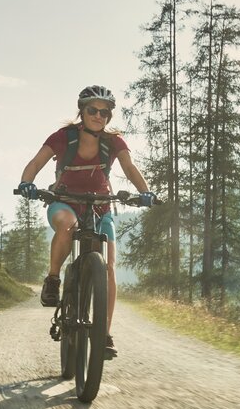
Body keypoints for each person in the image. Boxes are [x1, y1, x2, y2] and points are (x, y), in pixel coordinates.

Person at [17, 85, 155, 358]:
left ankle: (103, 334)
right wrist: (26, 183)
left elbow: (129, 167)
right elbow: (35, 163)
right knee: (67, 225)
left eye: (105, 112)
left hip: (100, 207)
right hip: (64, 201)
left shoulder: (113, 142)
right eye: (93, 110)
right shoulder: (63, 137)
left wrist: (145, 192)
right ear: (82, 111)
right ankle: (54, 279)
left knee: (109, 267)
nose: (99, 116)